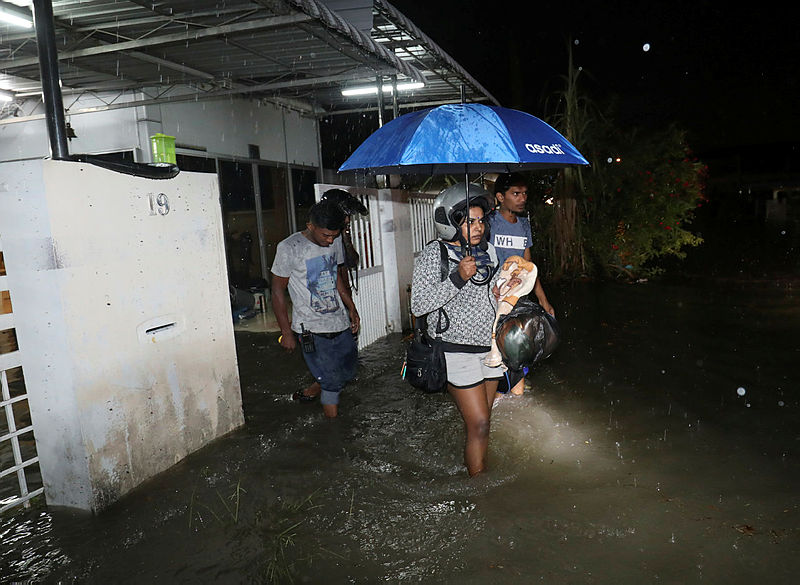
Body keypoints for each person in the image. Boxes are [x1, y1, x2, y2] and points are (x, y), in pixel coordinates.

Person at [411, 183, 504, 477]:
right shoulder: (433, 254)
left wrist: (507, 287)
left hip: (490, 348)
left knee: (484, 420)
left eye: (480, 220)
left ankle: (478, 465)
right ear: (449, 223)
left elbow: (494, 293)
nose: (478, 227)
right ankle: (479, 488)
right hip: (455, 351)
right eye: (469, 221)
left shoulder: (489, 250)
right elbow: (418, 305)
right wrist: (457, 278)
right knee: (479, 423)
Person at [271, 200, 360, 418]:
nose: (330, 241)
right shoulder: (289, 248)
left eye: (334, 236)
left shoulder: (334, 240)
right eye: (325, 236)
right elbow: (276, 292)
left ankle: (311, 390)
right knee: (331, 381)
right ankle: (334, 430)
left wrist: (352, 308)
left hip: (338, 321)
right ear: (310, 226)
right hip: (310, 328)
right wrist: (286, 332)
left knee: (347, 371)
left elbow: (336, 277)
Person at [487, 173, 554, 396]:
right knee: (495, 354)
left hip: (519, 298)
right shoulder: (487, 224)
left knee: (519, 349)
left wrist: (544, 300)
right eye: (515, 193)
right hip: (491, 299)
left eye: (524, 193)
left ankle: (515, 392)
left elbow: (528, 267)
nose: (522, 198)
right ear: (499, 197)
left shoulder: (524, 226)